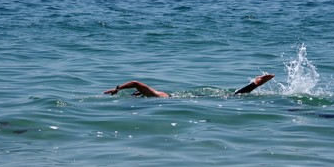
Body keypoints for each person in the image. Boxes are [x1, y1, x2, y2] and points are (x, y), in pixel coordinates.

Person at [103, 73, 275, 98]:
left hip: (190, 99)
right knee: (233, 97)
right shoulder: (154, 96)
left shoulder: (154, 95)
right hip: (188, 98)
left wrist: (117, 89)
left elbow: (135, 82)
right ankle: (255, 84)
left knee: (233, 97)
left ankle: (256, 83)